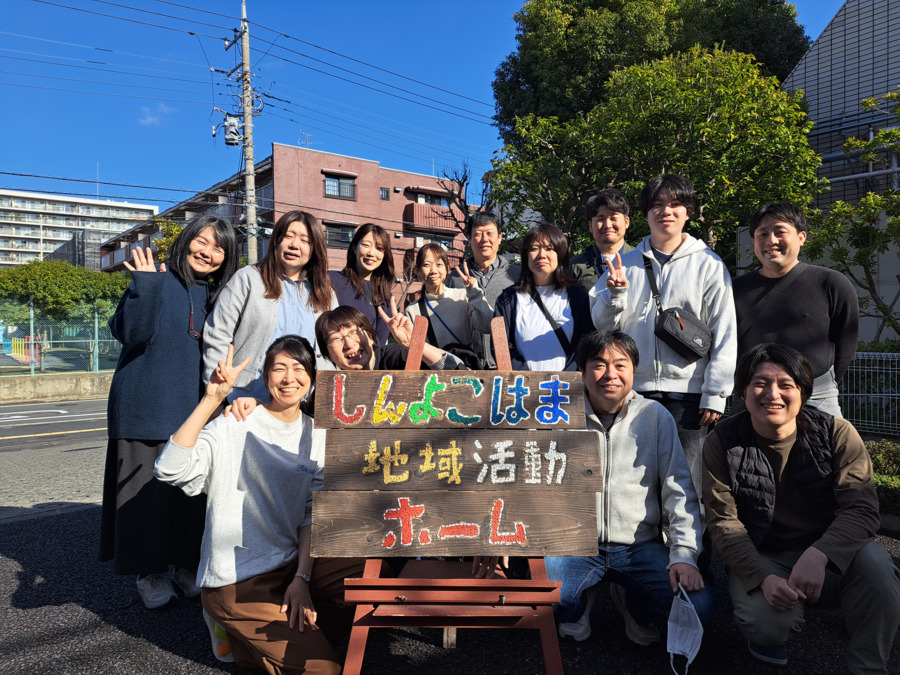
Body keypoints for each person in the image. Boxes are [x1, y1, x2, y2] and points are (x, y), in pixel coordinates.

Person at [155, 336, 365, 673]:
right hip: (238, 579)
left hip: (288, 565)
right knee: (324, 670)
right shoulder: (236, 422)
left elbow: (312, 513)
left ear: (312, 377)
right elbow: (169, 469)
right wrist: (212, 399)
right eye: (278, 369)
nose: (289, 377)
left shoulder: (317, 435)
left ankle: (255, 639)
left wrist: (302, 579)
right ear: (266, 377)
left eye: (298, 368)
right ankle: (236, 625)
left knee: (366, 575)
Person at [703, 343, 900, 671]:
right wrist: (762, 577)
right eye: (760, 383)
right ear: (743, 391)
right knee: (766, 626)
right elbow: (724, 523)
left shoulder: (837, 432)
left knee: (878, 567)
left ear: (803, 392)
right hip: (766, 554)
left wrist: (821, 553)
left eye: (786, 384)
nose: (773, 394)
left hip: (828, 551)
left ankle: (868, 666)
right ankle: (770, 627)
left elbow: (862, 509)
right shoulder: (722, 441)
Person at [101, 215, 239, 609]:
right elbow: (131, 334)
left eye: (219, 248)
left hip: (193, 411)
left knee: (189, 496)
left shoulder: (219, 296)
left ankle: (184, 566)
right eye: (202, 241)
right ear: (186, 240)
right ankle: (149, 574)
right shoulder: (156, 279)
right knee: (143, 499)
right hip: (143, 407)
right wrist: (143, 286)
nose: (208, 252)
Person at [545, 330, 714, 646]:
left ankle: (633, 604)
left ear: (634, 370)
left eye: (620, 365)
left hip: (638, 545)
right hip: (574, 543)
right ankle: (577, 607)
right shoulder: (558, 414)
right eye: (599, 364)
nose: (610, 374)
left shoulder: (654, 416)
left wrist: (684, 555)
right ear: (581, 371)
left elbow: (679, 489)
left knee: (698, 607)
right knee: (543, 596)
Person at [591, 174, 736, 509]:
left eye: (675, 204)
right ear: (645, 214)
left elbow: (725, 329)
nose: (665, 211)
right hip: (634, 393)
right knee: (635, 486)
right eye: (657, 204)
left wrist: (715, 393)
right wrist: (615, 295)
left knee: (688, 487)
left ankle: (688, 545)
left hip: (690, 396)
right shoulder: (624, 263)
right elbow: (602, 328)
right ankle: (647, 545)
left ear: (688, 212)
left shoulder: (708, 264)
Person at [733, 203, 858, 417]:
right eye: (762, 234)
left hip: (817, 397)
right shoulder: (735, 288)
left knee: (830, 440)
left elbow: (846, 343)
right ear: (753, 240)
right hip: (754, 396)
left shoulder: (831, 283)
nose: (771, 240)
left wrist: (816, 384)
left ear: (801, 237)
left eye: (780, 232)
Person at [203, 210, 337, 404]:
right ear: (276, 241)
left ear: (315, 248)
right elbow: (217, 336)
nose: (294, 245)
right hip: (246, 399)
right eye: (288, 236)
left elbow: (335, 347)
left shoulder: (325, 293)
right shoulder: (248, 278)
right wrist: (215, 397)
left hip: (306, 403)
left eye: (305, 240)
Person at [494, 223, 593, 371]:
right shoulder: (508, 299)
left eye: (549, 248)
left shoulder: (577, 295)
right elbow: (501, 347)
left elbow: (586, 341)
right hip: (524, 383)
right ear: (525, 256)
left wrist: (567, 376)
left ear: (560, 254)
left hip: (569, 383)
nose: (541, 255)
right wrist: (529, 378)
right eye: (534, 248)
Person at [446, 211, 520, 367]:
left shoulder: (516, 275)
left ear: (500, 237)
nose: (485, 239)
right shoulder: (455, 278)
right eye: (478, 234)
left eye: (489, 233)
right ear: (469, 239)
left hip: (508, 365)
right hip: (466, 365)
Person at [404, 243, 492, 360]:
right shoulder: (412, 310)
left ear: (447, 269)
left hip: (464, 367)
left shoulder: (462, 297)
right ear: (418, 270)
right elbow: (413, 354)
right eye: (426, 265)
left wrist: (474, 293)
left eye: (439, 264)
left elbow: (487, 326)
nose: (433, 270)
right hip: (432, 370)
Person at [328, 223, 396, 348]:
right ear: (354, 248)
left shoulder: (386, 296)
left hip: (368, 359)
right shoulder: (332, 280)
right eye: (366, 245)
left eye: (379, 248)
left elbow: (379, 345)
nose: (371, 253)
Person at [571, 188, 634, 291]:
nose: (607, 225)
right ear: (590, 226)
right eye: (600, 219)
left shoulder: (642, 259)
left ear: (626, 222)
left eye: (613, 218)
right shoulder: (576, 266)